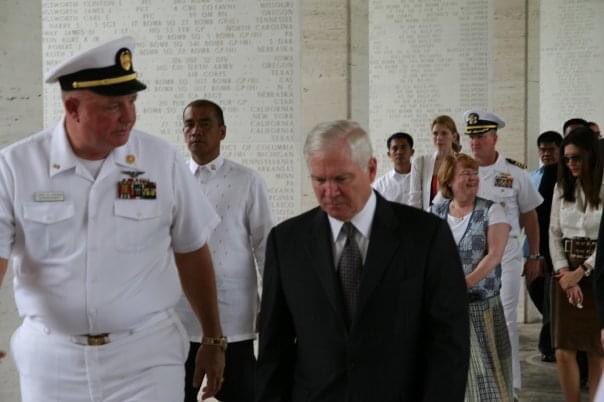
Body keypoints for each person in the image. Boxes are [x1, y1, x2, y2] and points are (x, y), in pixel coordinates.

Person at [0, 37, 226, 401]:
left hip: (146, 357)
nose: (129, 116)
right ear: (72, 107)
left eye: (132, 101)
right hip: (52, 361)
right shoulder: (15, 167)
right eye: (112, 106)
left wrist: (214, 337)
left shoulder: (160, 161)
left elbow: (192, 248)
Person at [255, 120, 470, 402]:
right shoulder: (286, 242)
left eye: (341, 179)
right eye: (319, 180)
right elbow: (274, 346)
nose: (329, 192)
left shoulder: (425, 236)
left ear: (370, 169)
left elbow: (449, 343)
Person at [176, 99, 273, 402]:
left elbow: (264, 245)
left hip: (233, 319)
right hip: (179, 317)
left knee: (241, 393)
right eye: (189, 124)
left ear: (222, 131)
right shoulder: (171, 179)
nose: (196, 131)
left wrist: (272, 305)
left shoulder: (247, 181)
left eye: (205, 124)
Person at [465, 109, 543, 397]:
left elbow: (529, 215)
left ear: (495, 137)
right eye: (472, 136)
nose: (475, 141)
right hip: (470, 254)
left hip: (506, 254)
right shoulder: (461, 170)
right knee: (470, 318)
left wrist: (534, 254)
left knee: (506, 317)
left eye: (481, 135)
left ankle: (510, 386)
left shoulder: (514, 173)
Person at [431, 153, 512, 401]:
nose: (472, 178)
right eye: (465, 173)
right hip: (448, 309)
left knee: (486, 376)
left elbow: (494, 256)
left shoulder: (492, 210)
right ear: (449, 180)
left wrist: (463, 284)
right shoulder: (437, 212)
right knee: (454, 372)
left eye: (474, 173)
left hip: (480, 307)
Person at [550, 127, 604, 402]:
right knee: (563, 350)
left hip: (597, 272)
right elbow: (554, 232)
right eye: (567, 158)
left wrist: (582, 272)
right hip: (565, 269)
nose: (571, 164)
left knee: (597, 350)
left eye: (577, 158)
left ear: (591, 156)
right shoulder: (562, 186)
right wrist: (564, 273)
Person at [526, 130, 563, 362]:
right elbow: (531, 216)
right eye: (543, 150)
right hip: (539, 246)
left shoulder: (563, 175)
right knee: (539, 291)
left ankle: (550, 342)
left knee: (552, 294)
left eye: (551, 149)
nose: (547, 154)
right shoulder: (532, 177)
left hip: (556, 244)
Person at [409, 115, 460, 210]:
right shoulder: (420, 162)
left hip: (456, 220)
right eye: (435, 133)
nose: (439, 137)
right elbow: (414, 200)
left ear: (454, 136)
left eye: (444, 133)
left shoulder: (462, 162)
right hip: (428, 221)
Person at [373, 131, 414, 204]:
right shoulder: (380, 185)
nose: (399, 152)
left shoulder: (423, 180)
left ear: (412, 152)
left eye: (403, 147)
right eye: (395, 148)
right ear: (389, 154)